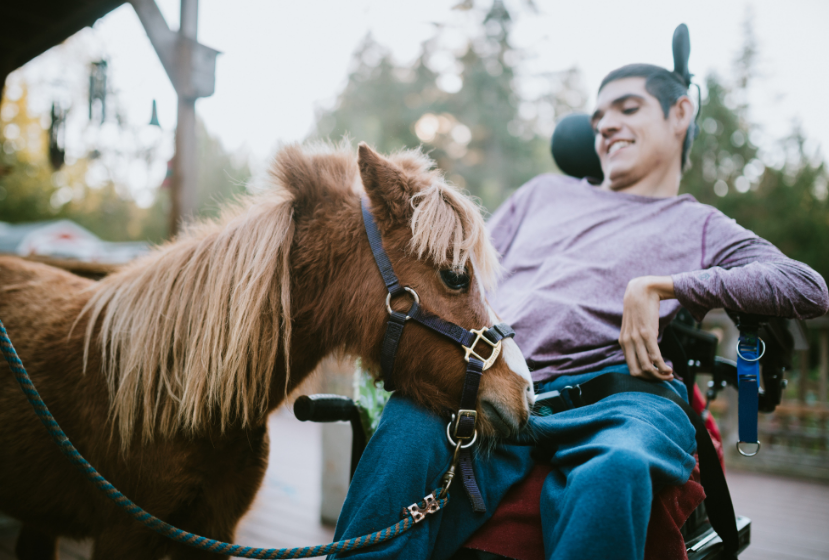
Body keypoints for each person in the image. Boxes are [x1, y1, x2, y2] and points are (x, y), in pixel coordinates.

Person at [328, 62, 829, 560]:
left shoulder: (699, 224)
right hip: (502, 382)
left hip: (622, 401)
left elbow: (807, 287)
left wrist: (662, 286)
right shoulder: (540, 194)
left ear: (680, 114)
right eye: (598, 119)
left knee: (618, 470)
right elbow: (462, 279)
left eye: (628, 108)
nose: (606, 125)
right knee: (407, 427)